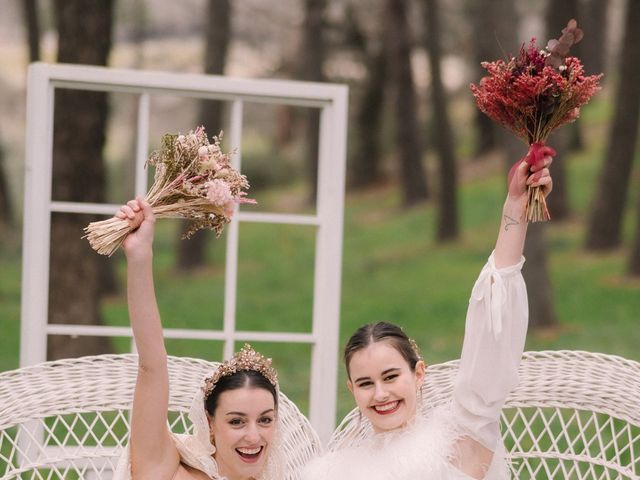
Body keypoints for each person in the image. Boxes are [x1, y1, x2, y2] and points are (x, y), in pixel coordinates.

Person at [302, 154, 554, 480]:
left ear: (419, 373)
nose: (380, 394)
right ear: (352, 389)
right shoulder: (337, 470)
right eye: (366, 383)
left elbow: (492, 323)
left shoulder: (458, 439)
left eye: (391, 377)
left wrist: (515, 208)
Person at [112, 199, 284, 480]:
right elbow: (152, 366)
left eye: (265, 420)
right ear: (210, 424)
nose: (253, 436)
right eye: (237, 421)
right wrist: (140, 255)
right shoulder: (169, 471)